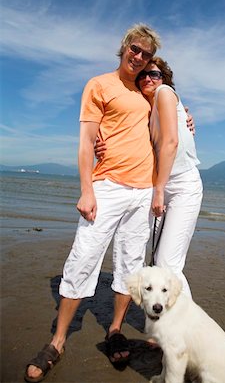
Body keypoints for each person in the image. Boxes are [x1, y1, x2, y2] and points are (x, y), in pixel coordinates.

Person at [24, 24, 162, 382]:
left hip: (143, 191)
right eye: (135, 49)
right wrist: (87, 189)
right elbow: (87, 141)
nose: (139, 58)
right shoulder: (99, 85)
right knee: (84, 257)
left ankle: (115, 328)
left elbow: (168, 127)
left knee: (129, 265)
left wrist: (186, 117)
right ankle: (58, 340)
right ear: (123, 48)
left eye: (146, 54)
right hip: (108, 187)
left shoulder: (150, 92)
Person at [97, 57, 203, 297]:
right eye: (142, 75)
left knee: (168, 263)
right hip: (159, 185)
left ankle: (184, 324)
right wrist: (98, 143)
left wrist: (158, 190)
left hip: (181, 185)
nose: (147, 78)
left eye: (154, 74)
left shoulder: (165, 93)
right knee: (156, 258)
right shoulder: (145, 109)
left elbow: (171, 142)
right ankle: (165, 326)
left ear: (163, 79)